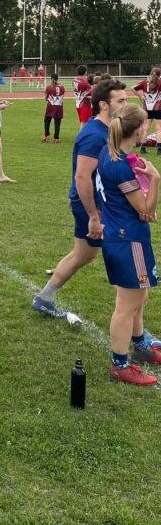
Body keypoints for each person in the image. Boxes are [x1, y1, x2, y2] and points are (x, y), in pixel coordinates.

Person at [31, 79, 142, 320]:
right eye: (121, 100)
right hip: (93, 207)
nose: (126, 104)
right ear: (104, 104)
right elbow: (82, 177)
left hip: (95, 206)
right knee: (123, 262)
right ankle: (136, 331)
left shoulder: (107, 130)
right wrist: (93, 216)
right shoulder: (94, 136)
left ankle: (44, 298)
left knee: (83, 254)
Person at [96, 104, 160, 385]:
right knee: (127, 304)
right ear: (137, 131)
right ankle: (120, 364)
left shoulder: (110, 154)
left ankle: (142, 347)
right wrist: (155, 178)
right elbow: (145, 208)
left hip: (122, 235)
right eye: (145, 124)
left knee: (140, 297)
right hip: (127, 239)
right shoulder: (120, 167)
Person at [131, 67, 161, 153]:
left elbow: (133, 88)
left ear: (151, 73)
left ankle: (142, 147)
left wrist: (140, 96)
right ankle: (159, 149)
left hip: (147, 108)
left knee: (146, 128)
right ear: (159, 74)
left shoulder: (145, 82)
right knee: (159, 128)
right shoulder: (160, 82)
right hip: (158, 108)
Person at [42, 73, 65, 143]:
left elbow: (45, 98)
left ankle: (46, 136)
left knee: (47, 121)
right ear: (57, 78)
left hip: (50, 106)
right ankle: (56, 138)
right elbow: (62, 96)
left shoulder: (49, 87)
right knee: (57, 123)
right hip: (59, 107)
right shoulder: (62, 87)